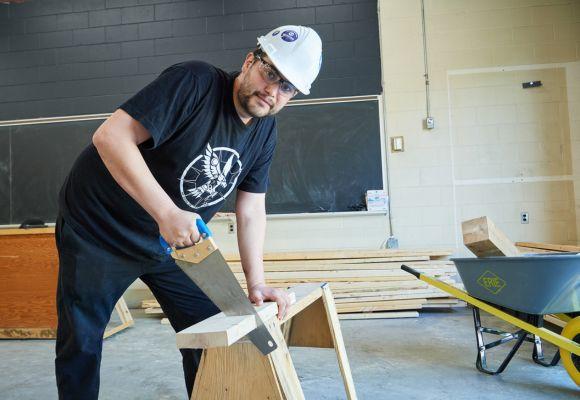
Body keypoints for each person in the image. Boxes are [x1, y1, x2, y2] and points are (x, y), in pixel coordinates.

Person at [54, 25, 323, 399]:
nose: (272, 90)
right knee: (81, 341)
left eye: (287, 87)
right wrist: (166, 213)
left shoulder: (264, 133)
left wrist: (256, 282)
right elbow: (110, 136)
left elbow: (251, 209)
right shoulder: (194, 83)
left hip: (170, 244)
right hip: (99, 229)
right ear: (250, 61)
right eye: (270, 73)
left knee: (213, 332)